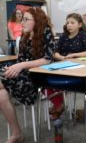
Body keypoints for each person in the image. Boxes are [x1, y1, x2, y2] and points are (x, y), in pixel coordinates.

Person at [0, 7, 55, 143]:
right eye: (22, 19)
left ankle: (17, 134)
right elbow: (21, 59)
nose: (22, 22)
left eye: (26, 19)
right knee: (1, 95)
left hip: (37, 77)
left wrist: (20, 65)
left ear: (37, 21)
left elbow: (47, 59)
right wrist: (13, 66)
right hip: (23, 74)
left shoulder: (46, 32)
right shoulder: (24, 36)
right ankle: (17, 133)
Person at [46, 13, 86, 120]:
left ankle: (58, 105)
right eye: (68, 22)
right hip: (62, 64)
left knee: (60, 81)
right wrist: (62, 58)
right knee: (46, 79)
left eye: (72, 23)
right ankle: (59, 103)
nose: (69, 25)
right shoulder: (64, 36)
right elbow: (54, 52)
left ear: (79, 24)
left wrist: (74, 55)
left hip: (78, 67)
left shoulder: (83, 35)